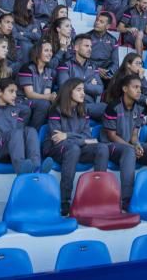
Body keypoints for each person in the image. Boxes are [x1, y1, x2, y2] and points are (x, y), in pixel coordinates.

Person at [44, 78, 110, 215]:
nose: (83, 93)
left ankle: (97, 197)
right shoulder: (55, 111)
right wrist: (80, 140)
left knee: (102, 148)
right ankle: (64, 201)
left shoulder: (83, 110)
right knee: (73, 149)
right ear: (69, 92)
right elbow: (57, 139)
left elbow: (87, 138)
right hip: (57, 149)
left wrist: (67, 135)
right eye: (79, 90)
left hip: (76, 147)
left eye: (83, 90)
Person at [101, 74, 147, 208]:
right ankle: (127, 199)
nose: (139, 91)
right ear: (125, 89)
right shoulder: (113, 106)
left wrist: (137, 145)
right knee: (129, 151)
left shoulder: (140, 107)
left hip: (128, 146)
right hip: (111, 146)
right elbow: (111, 136)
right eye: (135, 87)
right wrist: (131, 147)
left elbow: (134, 135)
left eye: (140, 88)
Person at [0, 77, 50, 174]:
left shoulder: (16, 110)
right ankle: (21, 170)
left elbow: (25, 112)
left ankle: (37, 168)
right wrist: (6, 137)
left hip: (13, 150)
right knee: (15, 133)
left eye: (16, 92)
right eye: (11, 91)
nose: (15, 95)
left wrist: (15, 105)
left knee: (31, 130)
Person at [18, 40, 57, 129]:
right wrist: (48, 97)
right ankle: (33, 131)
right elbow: (29, 94)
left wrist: (53, 97)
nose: (50, 53)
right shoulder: (27, 68)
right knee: (44, 104)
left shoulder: (49, 71)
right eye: (46, 50)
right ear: (38, 52)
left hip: (38, 101)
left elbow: (47, 93)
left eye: (51, 51)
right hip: (23, 101)